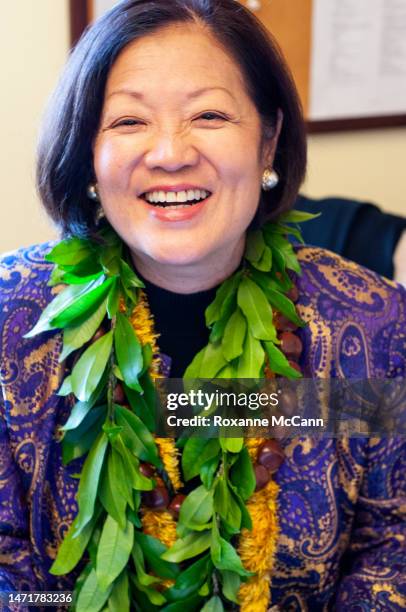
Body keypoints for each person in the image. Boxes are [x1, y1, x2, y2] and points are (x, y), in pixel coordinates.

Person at [0, 1, 404, 610]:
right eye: (129, 121)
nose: (170, 153)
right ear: (88, 150)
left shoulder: (371, 324)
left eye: (209, 114)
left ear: (267, 140)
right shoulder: (12, 319)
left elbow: (390, 546)